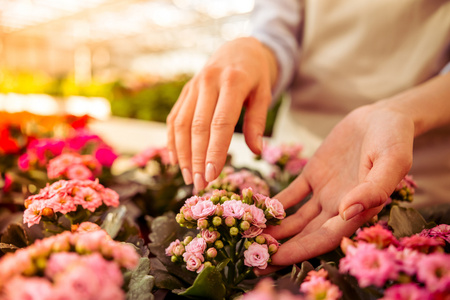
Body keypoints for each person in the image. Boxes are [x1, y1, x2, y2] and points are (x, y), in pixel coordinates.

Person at [166, 0, 450, 272]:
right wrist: (255, 52)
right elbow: (279, 36)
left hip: (422, 193)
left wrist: (401, 111)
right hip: (294, 177)